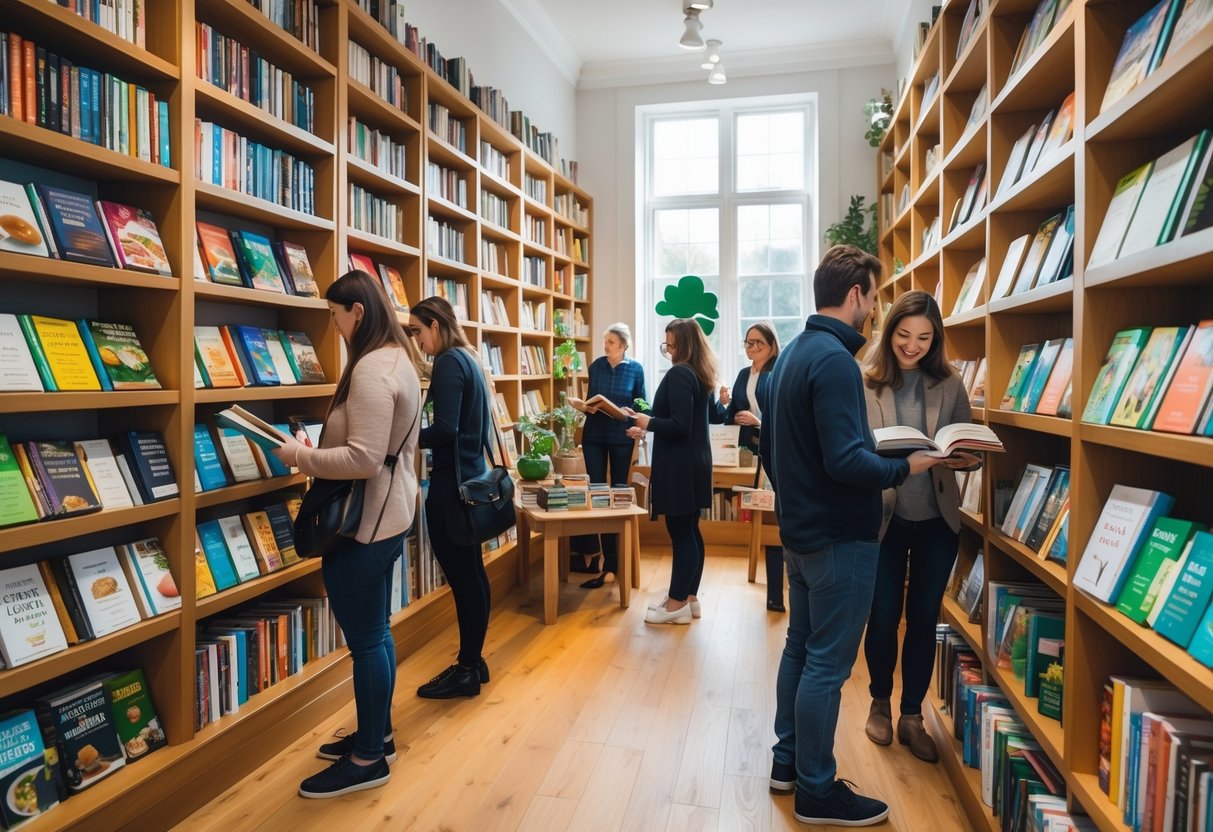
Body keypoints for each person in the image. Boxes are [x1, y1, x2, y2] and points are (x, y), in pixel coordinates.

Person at [760, 245, 943, 825]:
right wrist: (903, 466)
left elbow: (776, 447)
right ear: (858, 294)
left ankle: (787, 764)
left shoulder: (791, 354)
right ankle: (816, 790)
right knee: (826, 666)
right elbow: (845, 461)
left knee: (800, 649)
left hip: (801, 535)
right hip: (840, 539)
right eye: (873, 296)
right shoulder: (836, 362)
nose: (873, 310)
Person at [272, 270, 422, 799]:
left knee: (366, 640)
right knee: (377, 633)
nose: (333, 325)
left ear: (356, 311)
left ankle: (367, 760)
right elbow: (377, 446)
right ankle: (376, 735)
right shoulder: (398, 357)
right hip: (390, 516)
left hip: (365, 527)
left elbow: (362, 458)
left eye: (334, 314)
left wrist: (300, 457)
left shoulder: (372, 368)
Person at [861, 290, 981, 763]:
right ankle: (878, 703)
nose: (912, 346)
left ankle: (912, 714)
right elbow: (854, 448)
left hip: (937, 517)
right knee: (885, 613)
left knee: (924, 619)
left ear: (936, 340)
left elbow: (964, 441)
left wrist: (966, 457)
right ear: (890, 331)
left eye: (924, 338)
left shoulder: (948, 382)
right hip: (885, 517)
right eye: (904, 335)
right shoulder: (865, 380)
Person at [408, 296, 494, 698]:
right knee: (473, 575)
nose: (417, 341)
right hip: (472, 482)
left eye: (418, 331)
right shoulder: (469, 359)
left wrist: (405, 437)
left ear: (436, 326)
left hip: (450, 488)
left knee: (463, 580)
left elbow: (444, 429)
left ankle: (466, 669)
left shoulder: (446, 363)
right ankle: (474, 662)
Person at [624, 318, 717, 625]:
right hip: (695, 462)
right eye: (666, 344)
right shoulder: (698, 374)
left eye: (672, 345)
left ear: (685, 346)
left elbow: (679, 425)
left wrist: (647, 423)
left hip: (679, 465)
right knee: (690, 530)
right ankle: (689, 598)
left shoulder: (679, 373)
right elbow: (681, 420)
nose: (668, 350)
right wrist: (646, 423)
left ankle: (676, 603)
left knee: (680, 533)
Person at [571, 322, 647, 589]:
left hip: (621, 436)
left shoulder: (636, 369)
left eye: (611, 342)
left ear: (624, 345)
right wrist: (585, 406)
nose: (606, 346)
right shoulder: (596, 366)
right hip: (594, 435)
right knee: (598, 493)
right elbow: (592, 400)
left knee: (618, 492)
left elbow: (642, 403)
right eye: (605, 341)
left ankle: (616, 563)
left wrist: (632, 414)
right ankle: (604, 564)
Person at [719, 322, 785, 612]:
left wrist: (759, 422)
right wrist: (725, 405)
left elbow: (785, 414)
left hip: (773, 449)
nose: (752, 348)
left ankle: (776, 594)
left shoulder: (779, 370)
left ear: (771, 344)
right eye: (748, 343)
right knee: (759, 509)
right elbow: (732, 415)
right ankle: (769, 585)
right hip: (746, 451)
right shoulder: (744, 373)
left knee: (771, 514)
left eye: (758, 342)